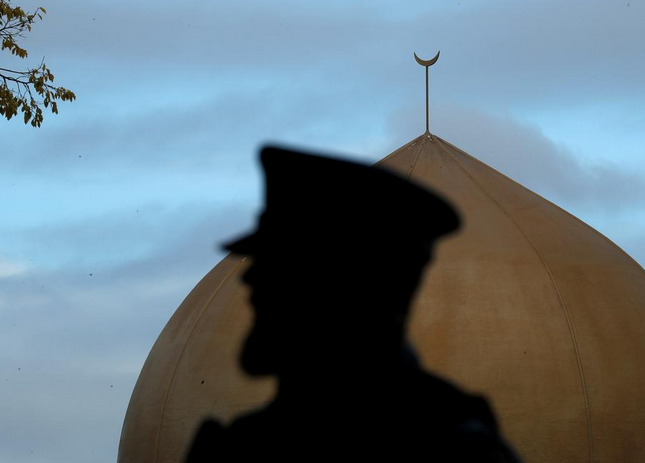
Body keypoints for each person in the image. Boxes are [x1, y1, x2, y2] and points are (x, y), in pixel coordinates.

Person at [185, 145, 521, 462]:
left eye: (280, 264)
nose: (250, 278)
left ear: (349, 284)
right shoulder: (245, 445)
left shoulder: (450, 448)